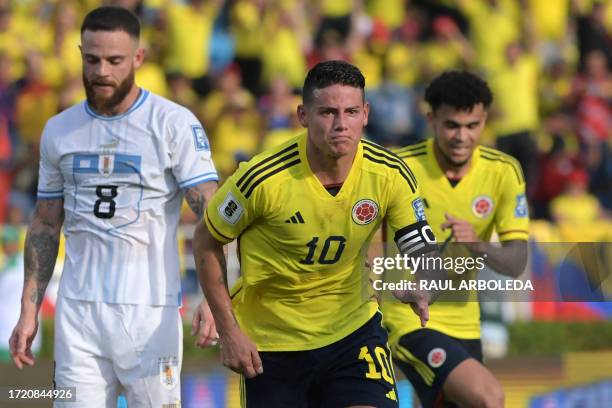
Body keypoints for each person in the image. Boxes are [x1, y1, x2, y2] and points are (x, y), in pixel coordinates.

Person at [194, 60, 437, 407]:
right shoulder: (262, 178)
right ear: (303, 115)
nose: (341, 125)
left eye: (351, 111)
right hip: (273, 344)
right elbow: (206, 240)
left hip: (353, 333)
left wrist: (424, 285)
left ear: (366, 114)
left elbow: (424, 251)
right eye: (327, 112)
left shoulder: (390, 173)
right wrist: (229, 328)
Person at [9, 7, 218, 407]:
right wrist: (28, 309)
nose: (102, 70)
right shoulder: (59, 130)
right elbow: (45, 223)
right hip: (78, 315)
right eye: (92, 59)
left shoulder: (172, 123)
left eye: (114, 60)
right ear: (80, 54)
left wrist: (214, 295)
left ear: (138, 58)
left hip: (149, 313)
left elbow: (213, 215)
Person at [382, 71, 529, 408]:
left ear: (485, 121)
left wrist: (479, 245)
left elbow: (517, 261)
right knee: (489, 397)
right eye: (452, 125)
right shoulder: (399, 168)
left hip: (466, 323)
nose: (462, 136)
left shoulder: (503, 172)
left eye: (472, 125)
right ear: (431, 119)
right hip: (406, 317)